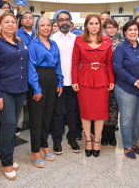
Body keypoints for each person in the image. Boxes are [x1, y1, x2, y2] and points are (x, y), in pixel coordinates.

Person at [0, 13, 28, 180]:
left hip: (20, 90)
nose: (10, 24)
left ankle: (5, 157)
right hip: (3, 90)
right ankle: (7, 162)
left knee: (11, 124)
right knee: (9, 124)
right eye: (6, 22)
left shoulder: (20, 42)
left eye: (13, 22)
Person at [72, 14, 114, 157]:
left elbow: (109, 63)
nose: (94, 26)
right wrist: (74, 81)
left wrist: (111, 81)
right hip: (84, 79)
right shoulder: (78, 40)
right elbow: (75, 62)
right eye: (91, 23)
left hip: (103, 79)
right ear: (86, 26)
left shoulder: (107, 41)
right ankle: (88, 140)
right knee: (86, 112)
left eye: (97, 23)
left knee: (100, 113)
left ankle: (97, 140)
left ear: (100, 26)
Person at [113, 21, 139, 161]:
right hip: (126, 88)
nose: (133, 32)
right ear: (124, 32)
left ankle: (134, 143)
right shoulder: (121, 48)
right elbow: (118, 68)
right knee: (126, 119)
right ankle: (127, 146)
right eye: (129, 30)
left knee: (138, 118)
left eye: (135, 29)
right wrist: (135, 81)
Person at [28, 17, 63, 167]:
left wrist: (60, 81)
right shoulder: (33, 44)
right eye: (43, 25)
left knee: (47, 117)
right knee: (37, 118)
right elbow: (31, 67)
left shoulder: (54, 44)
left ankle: (44, 145)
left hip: (52, 81)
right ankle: (35, 150)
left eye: (49, 25)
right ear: (38, 27)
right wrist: (36, 88)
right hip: (38, 81)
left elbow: (58, 65)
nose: (46, 28)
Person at [51, 11, 81, 154]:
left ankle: (72, 138)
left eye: (67, 20)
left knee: (72, 111)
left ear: (70, 22)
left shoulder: (77, 38)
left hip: (74, 81)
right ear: (57, 22)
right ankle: (57, 141)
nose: (64, 22)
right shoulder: (52, 39)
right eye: (61, 20)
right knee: (57, 112)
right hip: (57, 82)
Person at [101, 19, 123, 146]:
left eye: (114, 27)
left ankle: (112, 133)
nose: (111, 29)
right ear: (104, 29)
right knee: (104, 105)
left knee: (114, 107)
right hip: (103, 78)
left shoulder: (121, 43)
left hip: (117, 79)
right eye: (109, 27)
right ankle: (104, 133)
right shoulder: (100, 42)